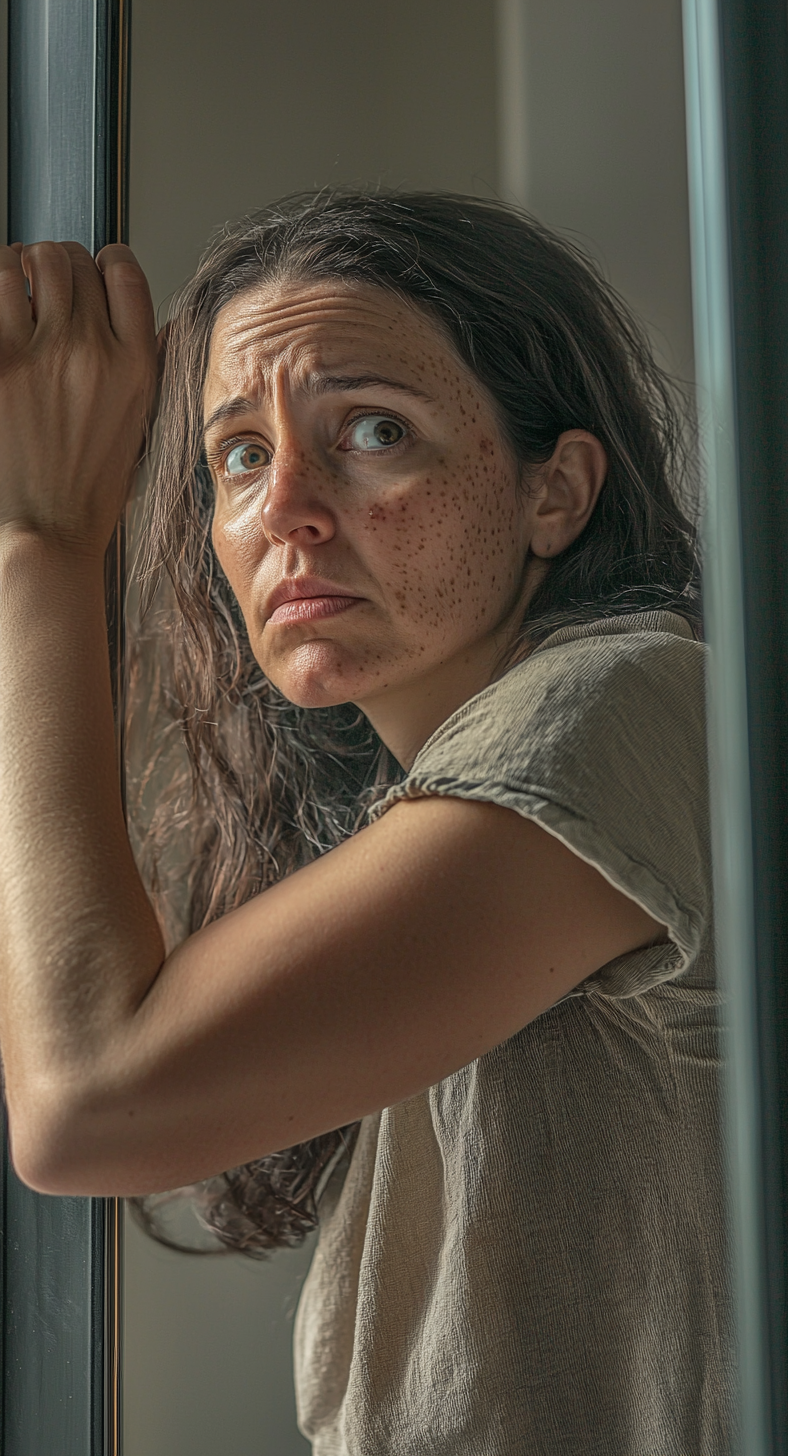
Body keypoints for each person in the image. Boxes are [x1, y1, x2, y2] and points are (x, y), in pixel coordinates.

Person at [0, 191, 733, 1452]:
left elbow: (86, 1099)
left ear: (554, 494)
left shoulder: (625, 704)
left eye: (374, 431)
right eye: (239, 452)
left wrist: (43, 543)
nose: (285, 504)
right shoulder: (436, 809)